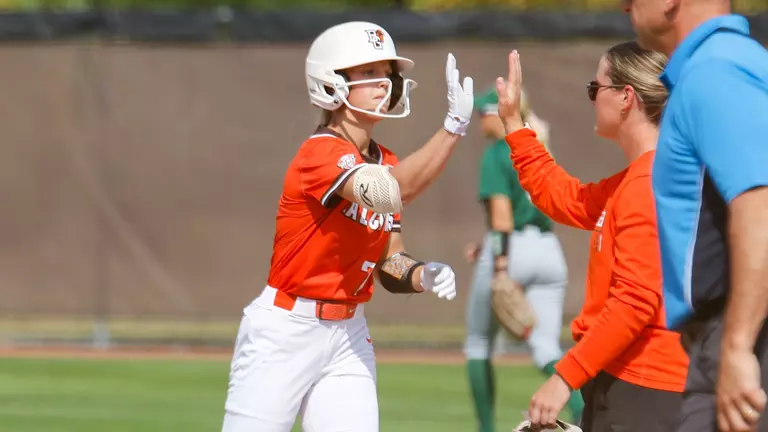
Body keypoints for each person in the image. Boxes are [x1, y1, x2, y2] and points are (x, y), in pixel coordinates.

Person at [220, 21, 474, 432]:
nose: (385, 84)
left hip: (348, 333)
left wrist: (421, 274)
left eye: (387, 73)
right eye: (368, 73)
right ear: (330, 82)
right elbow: (392, 192)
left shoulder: (386, 159)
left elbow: (389, 262)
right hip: (286, 329)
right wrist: (452, 129)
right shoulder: (319, 153)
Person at [493, 42, 689, 431]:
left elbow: (635, 301)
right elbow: (566, 198)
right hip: (628, 379)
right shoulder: (637, 180)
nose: (591, 98)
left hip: (645, 388)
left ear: (626, 97)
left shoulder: (649, 184)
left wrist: (565, 378)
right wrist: (514, 123)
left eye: (595, 88)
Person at [623, 1, 768, 431]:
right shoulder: (732, 63)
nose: (624, 4)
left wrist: (738, 345)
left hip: (745, 337)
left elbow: (758, 201)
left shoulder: (715, 71)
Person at [463, 87, 583, 432]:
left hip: (511, 249)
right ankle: (582, 412)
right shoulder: (537, 147)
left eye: (482, 114)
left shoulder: (498, 153)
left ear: (495, 114)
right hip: (548, 251)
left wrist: (500, 265)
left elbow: (502, 218)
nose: (479, 122)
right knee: (546, 346)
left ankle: (486, 428)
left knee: (478, 344)